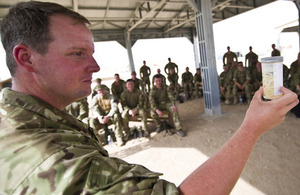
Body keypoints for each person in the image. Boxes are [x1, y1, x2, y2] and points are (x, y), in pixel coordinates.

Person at [0, 1, 299, 194]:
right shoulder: (46, 156)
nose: (95, 66)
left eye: (91, 53)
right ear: (27, 58)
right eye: (77, 54)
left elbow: (157, 99)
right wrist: (251, 128)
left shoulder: (22, 120)